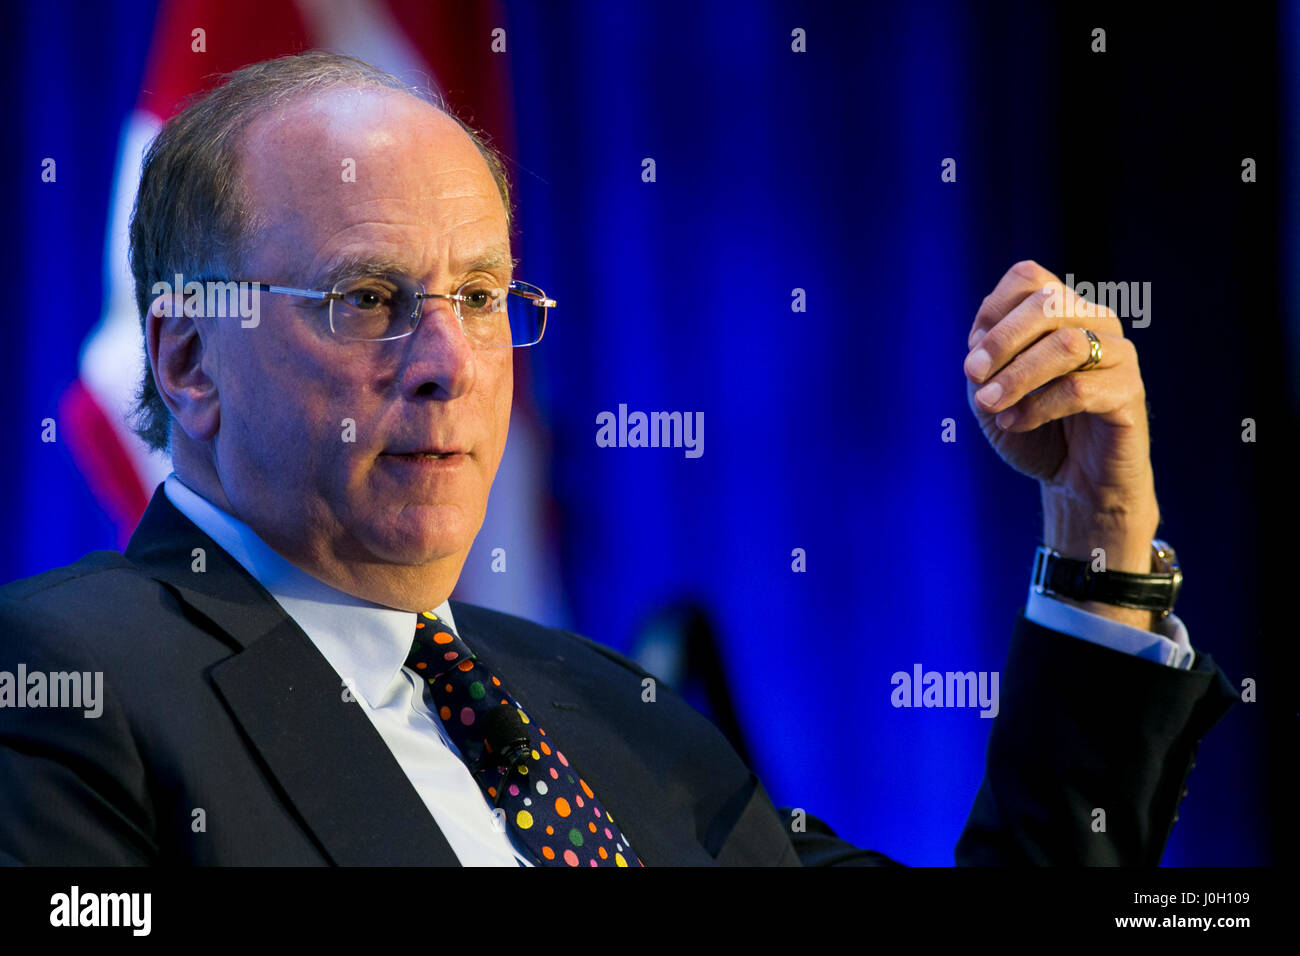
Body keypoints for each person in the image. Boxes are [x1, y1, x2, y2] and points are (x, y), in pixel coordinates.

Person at [0, 52, 1236, 866]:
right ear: (187, 363)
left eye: (483, 297)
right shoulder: (71, 683)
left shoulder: (603, 713)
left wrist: (1096, 535)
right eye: (371, 296)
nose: (451, 360)